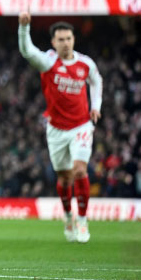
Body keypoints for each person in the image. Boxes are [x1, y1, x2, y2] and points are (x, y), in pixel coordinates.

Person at [18, 15, 102, 243]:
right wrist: (24, 27)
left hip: (82, 126)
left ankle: (82, 222)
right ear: (53, 43)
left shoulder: (86, 64)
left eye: (68, 38)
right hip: (56, 129)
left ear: (73, 39)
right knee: (64, 179)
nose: (65, 42)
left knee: (79, 171)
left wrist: (96, 106)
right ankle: (67, 217)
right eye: (60, 39)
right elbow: (27, 52)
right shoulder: (48, 62)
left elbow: (96, 80)